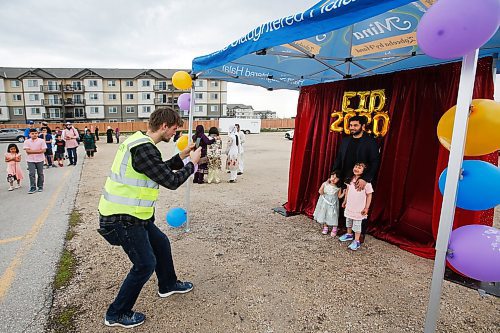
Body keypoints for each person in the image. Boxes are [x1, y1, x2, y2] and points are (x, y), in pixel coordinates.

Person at [97, 107, 202, 328]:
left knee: (161, 244)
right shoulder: (144, 149)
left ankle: (168, 284)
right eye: (174, 129)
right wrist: (192, 164)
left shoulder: (139, 142)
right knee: (145, 264)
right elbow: (171, 181)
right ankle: (117, 313)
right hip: (121, 219)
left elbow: (156, 169)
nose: (174, 134)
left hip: (135, 216)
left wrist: (181, 157)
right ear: (164, 126)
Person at [332, 115, 380, 241]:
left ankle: (360, 233)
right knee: (346, 203)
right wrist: (335, 174)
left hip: (361, 180)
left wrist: (366, 178)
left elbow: (375, 162)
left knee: (360, 206)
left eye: (355, 125)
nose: (352, 128)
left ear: (363, 126)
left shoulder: (371, 142)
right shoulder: (345, 141)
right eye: (351, 125)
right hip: (346, 179)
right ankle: (346, 229)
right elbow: (339, 158)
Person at [340, 162, 374, 251]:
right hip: (350, 206)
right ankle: (349, 234)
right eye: (355, 166)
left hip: (359, 209)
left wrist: (366, 208)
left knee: (357, 225)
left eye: (359, 168)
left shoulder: (366, 183)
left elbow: (369, 195)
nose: (356, 168)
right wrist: (345, 201)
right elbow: (347, 190)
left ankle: (356, 241)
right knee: (348, 221)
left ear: (364, 171)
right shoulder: (350, 179)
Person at [313, 170, 344, 237]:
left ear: (339, 180)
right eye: (332, 176)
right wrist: (324, 185)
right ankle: (325, 227)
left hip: (333, 204)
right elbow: (320, 192)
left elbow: (339, 196)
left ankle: (334, 228)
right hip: (325, 202)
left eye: (336, 178)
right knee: (324, 213)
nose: (333, 179)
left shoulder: (338, 188)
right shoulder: (325, 184)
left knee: (334, 214)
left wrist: (344, 193)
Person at [23, 128, 47, 193]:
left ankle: (40, 186)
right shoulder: (27, 141)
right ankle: (32, 187)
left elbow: (44, 150)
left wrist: (32, 151)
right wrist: (39, 151)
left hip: (40, 159)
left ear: (38, 134)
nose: (34, 135)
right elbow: (27, 151)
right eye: (32, 134)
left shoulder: (41, 141)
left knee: (40, 173)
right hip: (30, 160)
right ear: (29, 134)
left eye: (36, 133)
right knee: (31, 173)